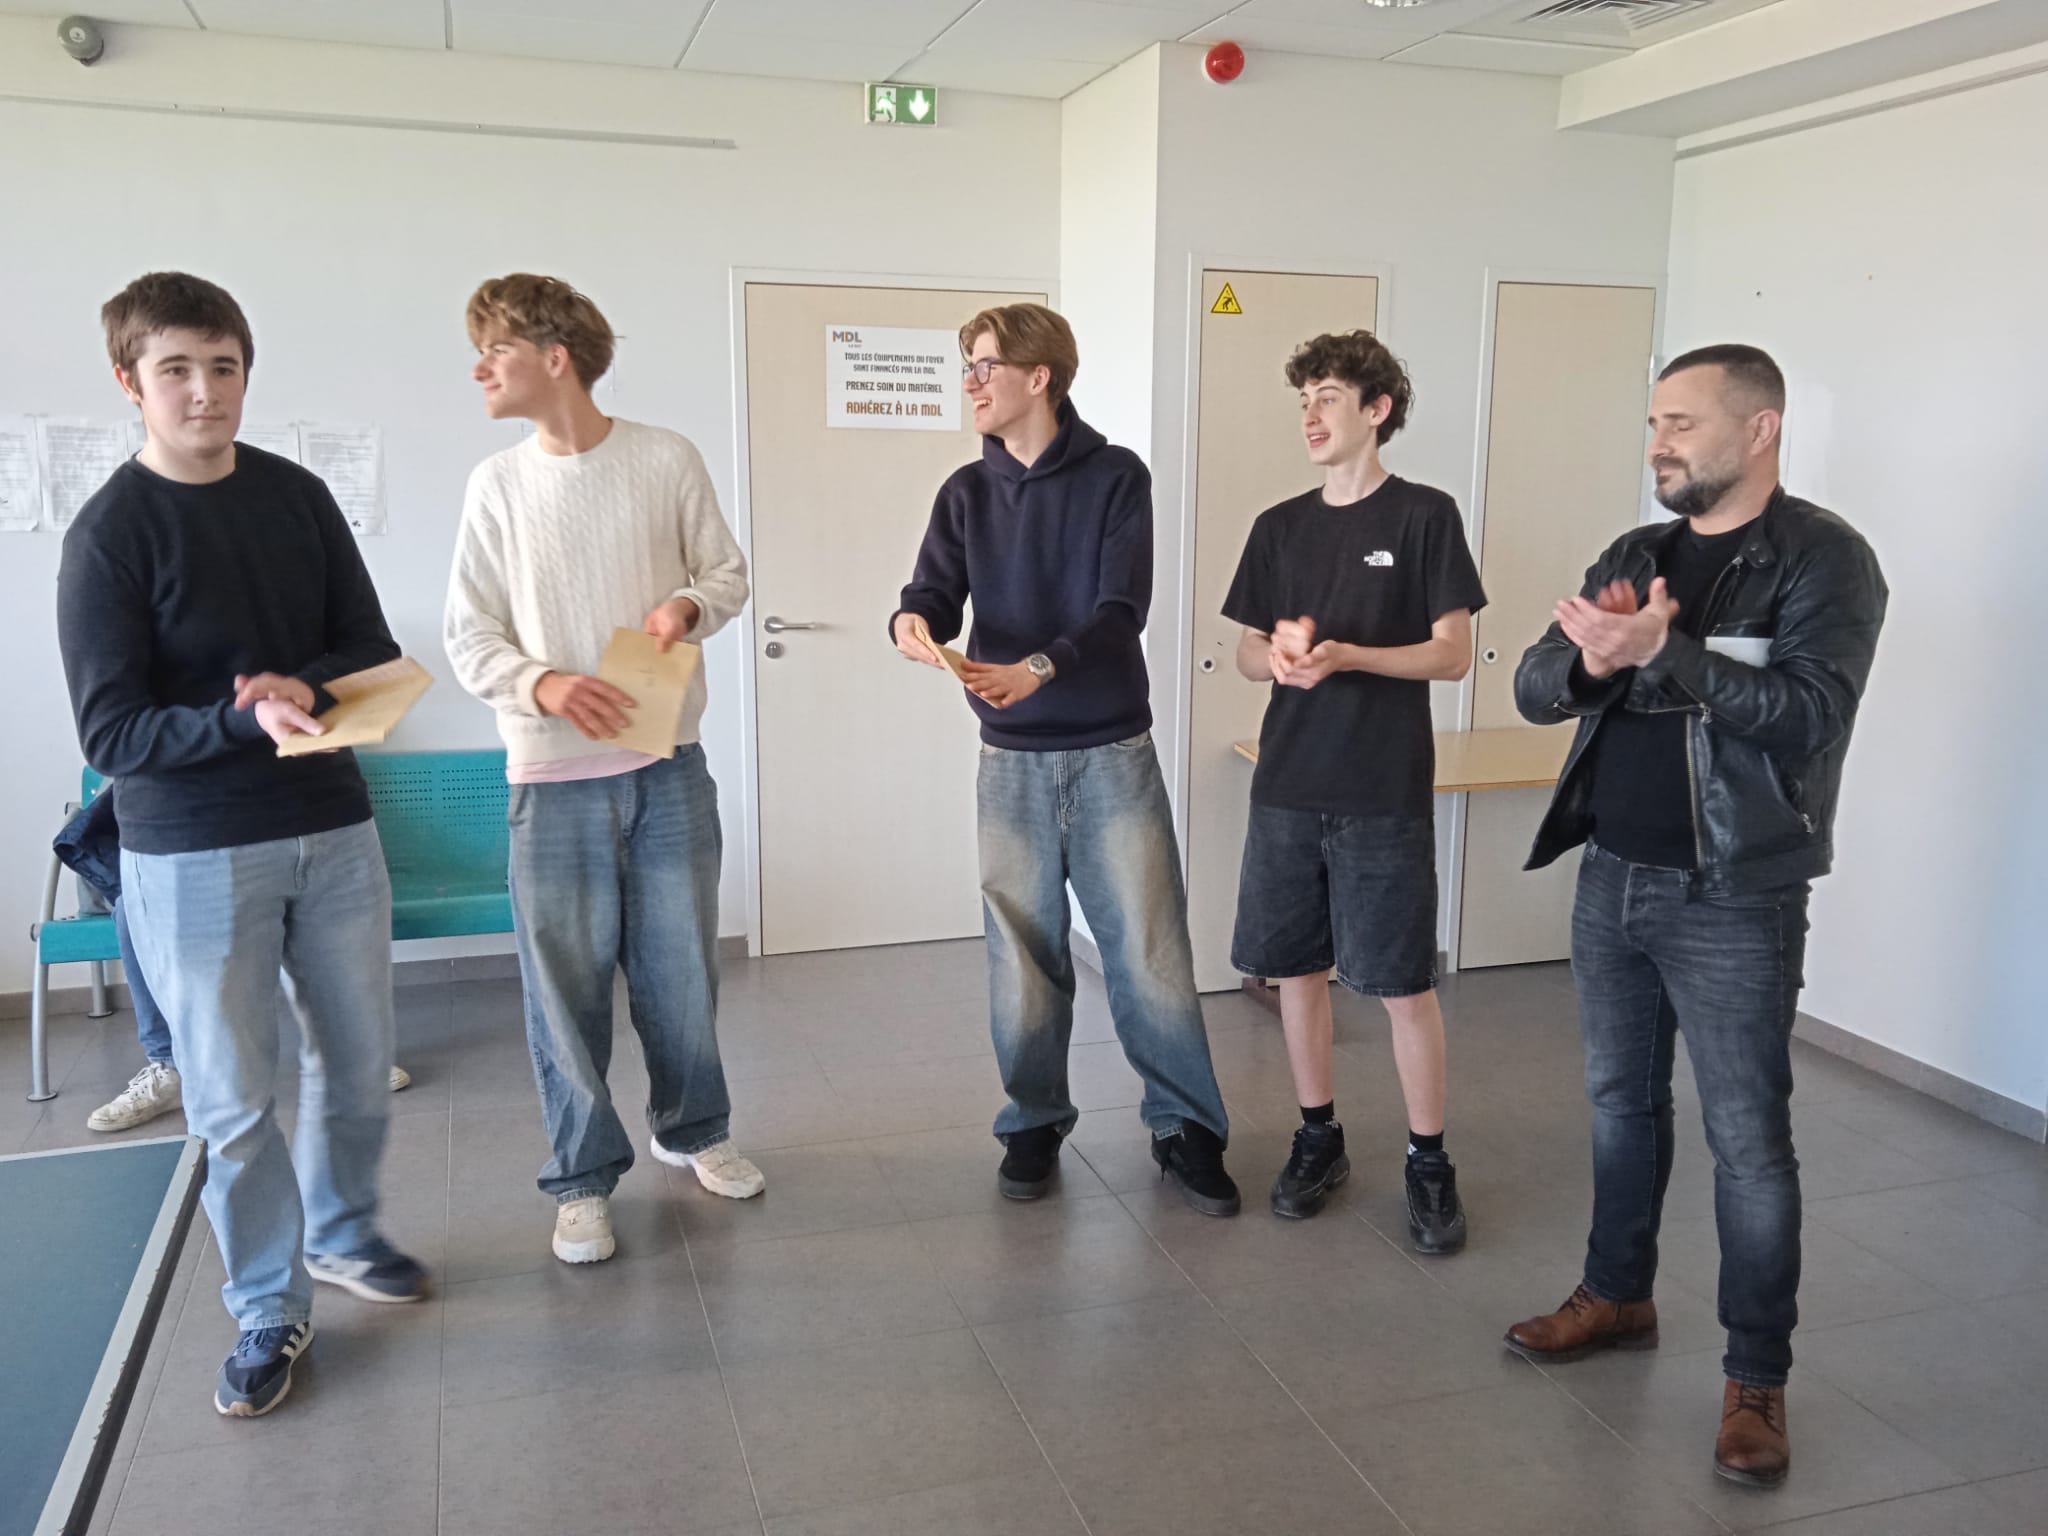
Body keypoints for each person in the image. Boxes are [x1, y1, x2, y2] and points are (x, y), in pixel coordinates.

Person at [1503, 344, 1887, 1488]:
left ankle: (1753, 1379)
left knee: (1746, 1146)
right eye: (1652, 421)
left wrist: (1667, 652)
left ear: (1758, 430)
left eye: (1680, 421)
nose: (1657, 442)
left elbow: (1805, 715)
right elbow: (1533, 684)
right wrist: (1586, 659)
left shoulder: (1824, 559)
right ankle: (1616, 1294)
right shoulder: (1635, 551)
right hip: (1611, 875)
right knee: (1619, 1106)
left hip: (1733, 894)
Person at [57, 271, 427, 1420]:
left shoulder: (296, 497)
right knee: (232, 1099)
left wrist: (299, 684)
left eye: (223, 367)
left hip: (332, 826)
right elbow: (112, 731)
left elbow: (363, 642)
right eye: (176, 370)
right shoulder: (108, 534)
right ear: (131, 383)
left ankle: (343, 1233)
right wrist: (239, 716)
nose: (205, 392)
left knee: (359, 1062)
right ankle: (267, 1306)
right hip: (193, 850)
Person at [890, 302, 1239, 1216]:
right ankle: (1033, 1121)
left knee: (1149, 950)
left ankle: (1185, 1128)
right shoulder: (964, 493)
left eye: (983, 366)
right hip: (1008, 762)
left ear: (1038, 376)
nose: (968, 382)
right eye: (964, 365)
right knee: (1021, 952)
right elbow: (930, 590)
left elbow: (1121, 607)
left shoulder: (1118, 477)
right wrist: (912, 622)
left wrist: (1040, 667)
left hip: (1109, 751)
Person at [445, 273, 761, 1267]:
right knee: (563, 992)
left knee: (679, 976)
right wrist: (542, 686)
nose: (478, 369)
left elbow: (727, 573)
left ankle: (694, 1131)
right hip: (551, 783)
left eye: (492, 350)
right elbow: (468, 635)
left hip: (668, 767)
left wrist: (685, 609)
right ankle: (580, 1181)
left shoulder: (666, 458)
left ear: (555, 356)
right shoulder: (495, 485)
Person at [1222, 331, 1484, 1249]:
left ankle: (1428, 1160)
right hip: (1289, 784)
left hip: (1382, 789)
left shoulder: (1424, 517)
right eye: (1304, 398)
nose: (1310, 414)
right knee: (1295, 971)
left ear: (1377, 410)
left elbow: (1452, 653)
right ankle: (1318, 1136)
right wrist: (1280, 658)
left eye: (1328, 396)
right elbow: (1247, 649)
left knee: (1403, 984)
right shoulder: (1279, 527)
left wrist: (1348, 655)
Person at [54, 789, 412, 1136]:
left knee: (298, 883)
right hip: (178, 828)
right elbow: (113, 743)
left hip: (287, 812)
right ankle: (168, 1065)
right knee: (134, 909)